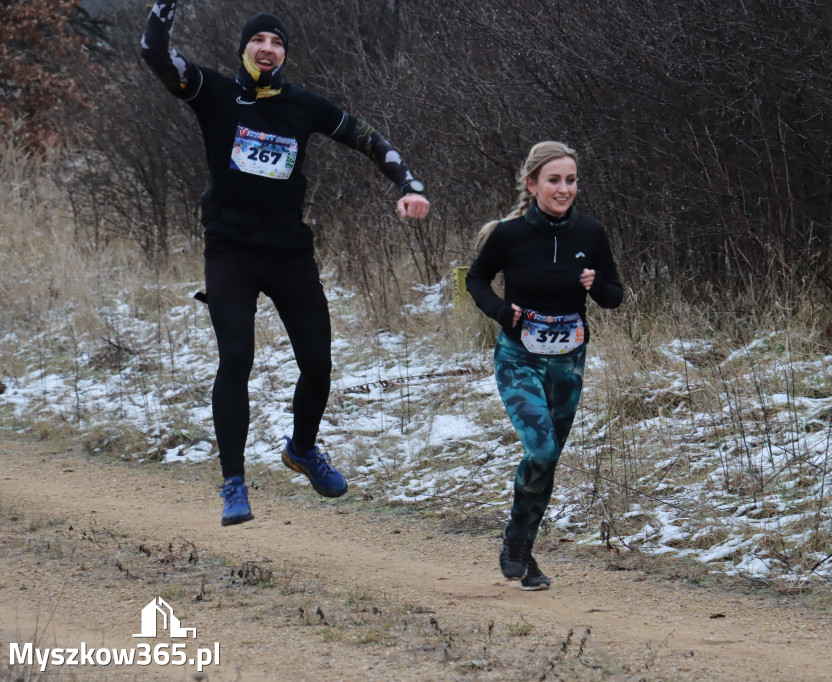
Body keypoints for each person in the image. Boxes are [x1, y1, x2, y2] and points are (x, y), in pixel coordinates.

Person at [141, 2, 430, 526]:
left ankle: (301, 449)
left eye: (277, 43)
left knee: (318, 363)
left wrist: (408, 184)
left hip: (289, 252)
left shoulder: (303, 105)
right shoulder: (211, 91)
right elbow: (153, 53)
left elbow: (367, 138)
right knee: (236, 359)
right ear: (245, 48)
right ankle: (233, 482)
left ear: (284, 55)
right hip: (230, 251)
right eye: (260, 41)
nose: (268, 48)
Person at [466, 141, 623, 590]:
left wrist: (595, 286)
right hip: (519, 358)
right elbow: (476, 279)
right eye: (554, 180)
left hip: (568, 364)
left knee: (548, 460)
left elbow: (613, 297)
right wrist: (500, 311)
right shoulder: (509, 235)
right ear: (532, 184)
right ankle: (517, 536)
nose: (564, 188)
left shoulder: (590, 233)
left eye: (571, 180)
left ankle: (523, 548)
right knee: (541, 451)